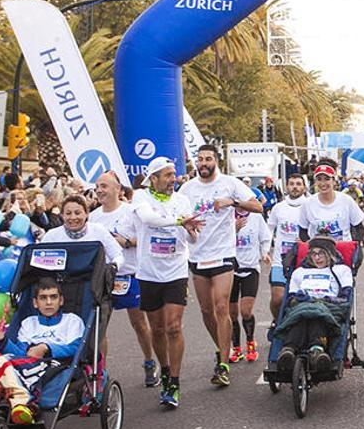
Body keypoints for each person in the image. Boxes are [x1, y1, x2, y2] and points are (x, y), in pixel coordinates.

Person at [178, 144, 264, 387]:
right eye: (200, 159)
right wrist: (185, 224)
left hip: (224, 254)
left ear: (216, 161)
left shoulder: (230, 183)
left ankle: (224, 364)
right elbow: (179, 217)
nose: (204, 163)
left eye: (208, 159)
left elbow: (258, 206)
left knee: (220, 306)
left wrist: (232, 202)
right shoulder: (187, 189)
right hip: (198, 255)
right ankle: (222, 348)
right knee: (206, 311)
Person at [0, 277, 85, 426]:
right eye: (43, 298)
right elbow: (19, 352)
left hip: (53, 365)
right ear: (35, 303)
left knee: (2, 363)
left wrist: (46, 347)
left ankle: (23, 403)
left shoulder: (72, 321)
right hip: (24, 362)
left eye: (53, 297)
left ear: (61, 300)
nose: (49, 302)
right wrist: (0, 336)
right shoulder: (28, 323)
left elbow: (77, 348)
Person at [133, 157, 204, 408]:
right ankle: (164, 369)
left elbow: (192, 240)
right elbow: (148, 219)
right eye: (167, 175)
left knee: (173, 327)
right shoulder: (140, 197)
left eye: (174, 174)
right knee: (158, 329)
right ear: (153, 178)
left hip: (176, 270)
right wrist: (179, 221)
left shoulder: (182, 201)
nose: (173, 179)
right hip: (149, 273)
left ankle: (174, 381)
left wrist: (191, 231)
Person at [89, 171, 155, 387]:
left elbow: (146, 239)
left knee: (139, 323)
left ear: (118, 189)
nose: (99, 190)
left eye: (104, 186)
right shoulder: (93, 216)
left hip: (129, 274)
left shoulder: (130, 212)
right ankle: (101, 374)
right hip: (103, 277)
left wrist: (126, 242)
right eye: (97, 186)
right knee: (101, 327)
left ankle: (149, 361)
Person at [273, 238, 353, 373]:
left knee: (317, 314)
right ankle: (289, 351)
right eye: (313, 254)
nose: (317, 258)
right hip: (302, 305)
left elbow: (345, 296)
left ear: (330, 254)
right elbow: (291, 298)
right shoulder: (299, 272)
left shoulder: (341, 270)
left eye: (321, 253)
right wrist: (303, 300)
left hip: (329, 306)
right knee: (302, 314)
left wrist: (325, 300)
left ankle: (317, 350)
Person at [228, 208, 271, 363]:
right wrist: (233, 229)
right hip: (230, 269)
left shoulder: (256, 217)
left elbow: (265, 237)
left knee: (245, 311)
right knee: (232, 314)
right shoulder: (226, 215)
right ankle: (236, 348)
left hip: (251, 268)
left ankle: (250, 342)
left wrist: (264, 253)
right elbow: (217, 239)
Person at [41, 195, 124, 269]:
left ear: (86, 214)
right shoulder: (52, 235)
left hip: (94, 279)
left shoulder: (99, 231)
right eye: (68, 213)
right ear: (62, 215)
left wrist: (113, 267)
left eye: (77, 213)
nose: (73, 217)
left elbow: (118, 255)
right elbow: (39, 258)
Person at [267, 173, 308, 319]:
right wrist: (265, 250)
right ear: (286, 187)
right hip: (280, 261)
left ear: (304, 187)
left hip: (304, 261)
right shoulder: (278, 208)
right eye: (292, 184)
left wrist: (306, 240)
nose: (295, 187)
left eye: (298, 184)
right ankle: (277, 323)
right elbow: (269, 229)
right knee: (277, 299)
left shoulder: (310, 206)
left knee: (300, 300)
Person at [298, 161, 364, 243]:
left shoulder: (346, 200)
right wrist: (311, 245)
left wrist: (353, 245)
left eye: (327, 179)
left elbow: (359, 228)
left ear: (333, 181)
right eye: (319, 179)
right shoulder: (307, 203)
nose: (323, 183)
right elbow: (302, 231)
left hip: (342, 249)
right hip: (318, 250)